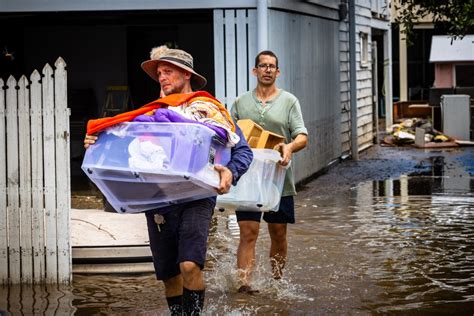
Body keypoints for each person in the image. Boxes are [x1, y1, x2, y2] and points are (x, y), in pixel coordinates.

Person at [84, 45, 253, 314]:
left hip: (197, 196)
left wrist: (231, 170)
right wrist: (97, 140)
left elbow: (243, 151)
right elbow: (125, 146)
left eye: (168, 71)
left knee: (189, 265)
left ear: (186, 74)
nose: (161, 77)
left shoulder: (210, 110)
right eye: (159, 73)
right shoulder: (152, 113)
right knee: (168, 275)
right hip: (159, 198)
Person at [230, 50, 308, 293]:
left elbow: (302, 136)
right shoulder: (240, 103)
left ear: (278, 71)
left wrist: (290, 147)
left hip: (279, 178)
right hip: (247, 179)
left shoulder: (289, 101)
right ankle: (244, 286)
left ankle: (277, 282)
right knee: (248, 232)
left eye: (271, 66)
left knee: (278, 233)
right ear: (255, 71)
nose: (267, 70)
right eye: (262, 66)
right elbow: (228, 135)